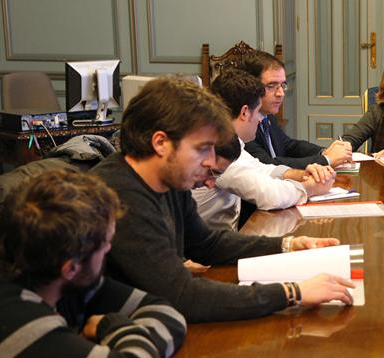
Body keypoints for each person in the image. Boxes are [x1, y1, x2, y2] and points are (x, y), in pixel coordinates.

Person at [91, 77, 354, 323]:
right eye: (202, 149)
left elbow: (207, 244)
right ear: (161, 143)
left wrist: (287, 245)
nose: (210, 161)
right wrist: (291, 292)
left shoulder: (169, 179)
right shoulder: (119, 197)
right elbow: (181, 296)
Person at [0, 170, 186, 358]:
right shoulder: (9, 315)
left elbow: (165, 312)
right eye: (106, 244)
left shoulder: (46, 269)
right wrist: (110, 328)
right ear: (71, 268)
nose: (109, 249)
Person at [192, 70, 334, 230]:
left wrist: (300, 175)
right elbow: (270, 195)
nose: (261, 120)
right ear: (244, 112)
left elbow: (259, 168)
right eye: (258, 112)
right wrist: (310, 188)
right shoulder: (217, 150)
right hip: (208, 243)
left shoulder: (230, 141)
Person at [239, 51, 352, 169]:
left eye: (282, 85)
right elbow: (268, 165)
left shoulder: (267, 115)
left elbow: (289, 146)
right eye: (271, 86)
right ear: (251, 86)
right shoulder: (243, 123)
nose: (281, 93)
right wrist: (327, 159)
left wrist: (324, 152)